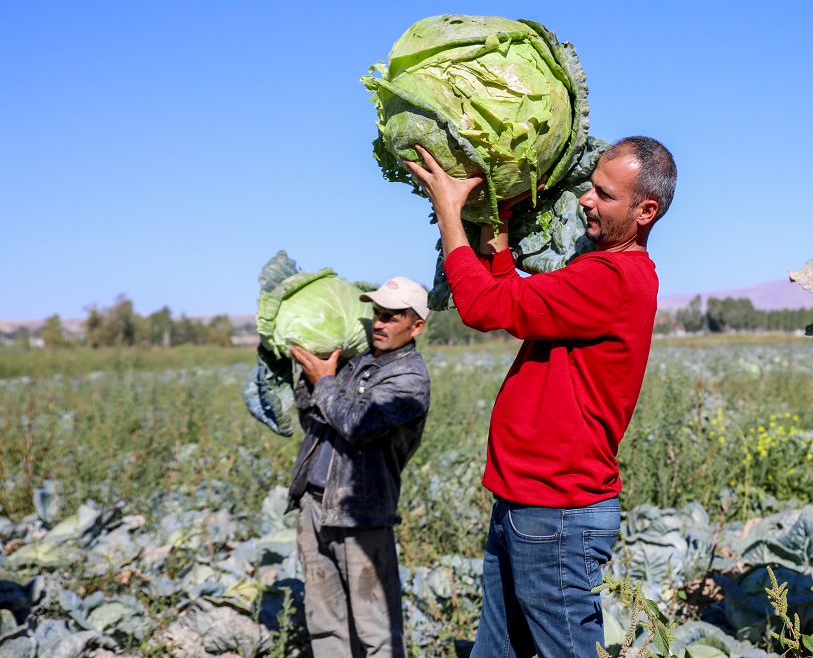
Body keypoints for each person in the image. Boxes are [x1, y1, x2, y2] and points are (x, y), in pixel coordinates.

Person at [403, 136, 677, 658]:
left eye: (603, 194)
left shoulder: (612, 278)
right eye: (591, 187)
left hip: (557, 513)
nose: (586, 200)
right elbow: (519, 308)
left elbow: (483, 307)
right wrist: (499, 240)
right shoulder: (600, 273)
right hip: (526, 500)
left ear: (646, 210)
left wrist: (450, 212)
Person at [285, 276, 432, 658]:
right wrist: (307, 369)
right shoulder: (356, 363)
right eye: (377, 314)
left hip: (361, 513)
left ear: (416, 326)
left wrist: (325, 381)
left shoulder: (409, 378)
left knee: (377, 630)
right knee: (326, 625)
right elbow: (313, 416)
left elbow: (358, 425)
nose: (379, 323)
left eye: (391, 317)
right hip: (314, 507)